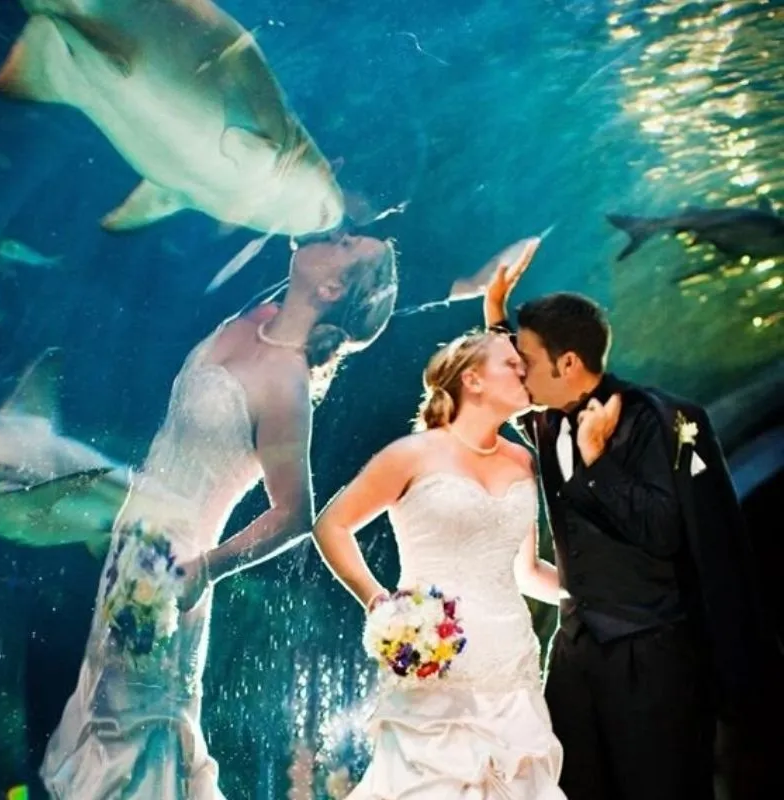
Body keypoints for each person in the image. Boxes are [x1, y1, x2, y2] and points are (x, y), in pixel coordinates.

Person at [40, 232, 399, 799]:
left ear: (331, 287)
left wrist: (207, 567)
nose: (337, 232)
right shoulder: (256, 311)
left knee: (131, 731)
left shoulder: (287, 384)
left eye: (349, 244)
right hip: (131, 542)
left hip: (171, 567)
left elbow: (294, 513)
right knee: (99, 705)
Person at [483, 260, 782, 800]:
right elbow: (516, 356)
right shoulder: (545, 417)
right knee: (570, 787)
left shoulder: (657, 421)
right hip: (575, 655)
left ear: (568, 361)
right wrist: (495, 312)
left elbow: (665, 530)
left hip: (653, 660)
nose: (518, 374)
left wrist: (598, 465)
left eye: (525, 361)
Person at [313, 330, 566, 799]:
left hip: (511, 668)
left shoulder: (523, 461)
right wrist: (379, 603)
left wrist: (607, 595)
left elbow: (527, 572)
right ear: (473, 379)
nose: (524, 373)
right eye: (512, 364)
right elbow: (332, 526)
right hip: (435, 664)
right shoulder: (411, 454)